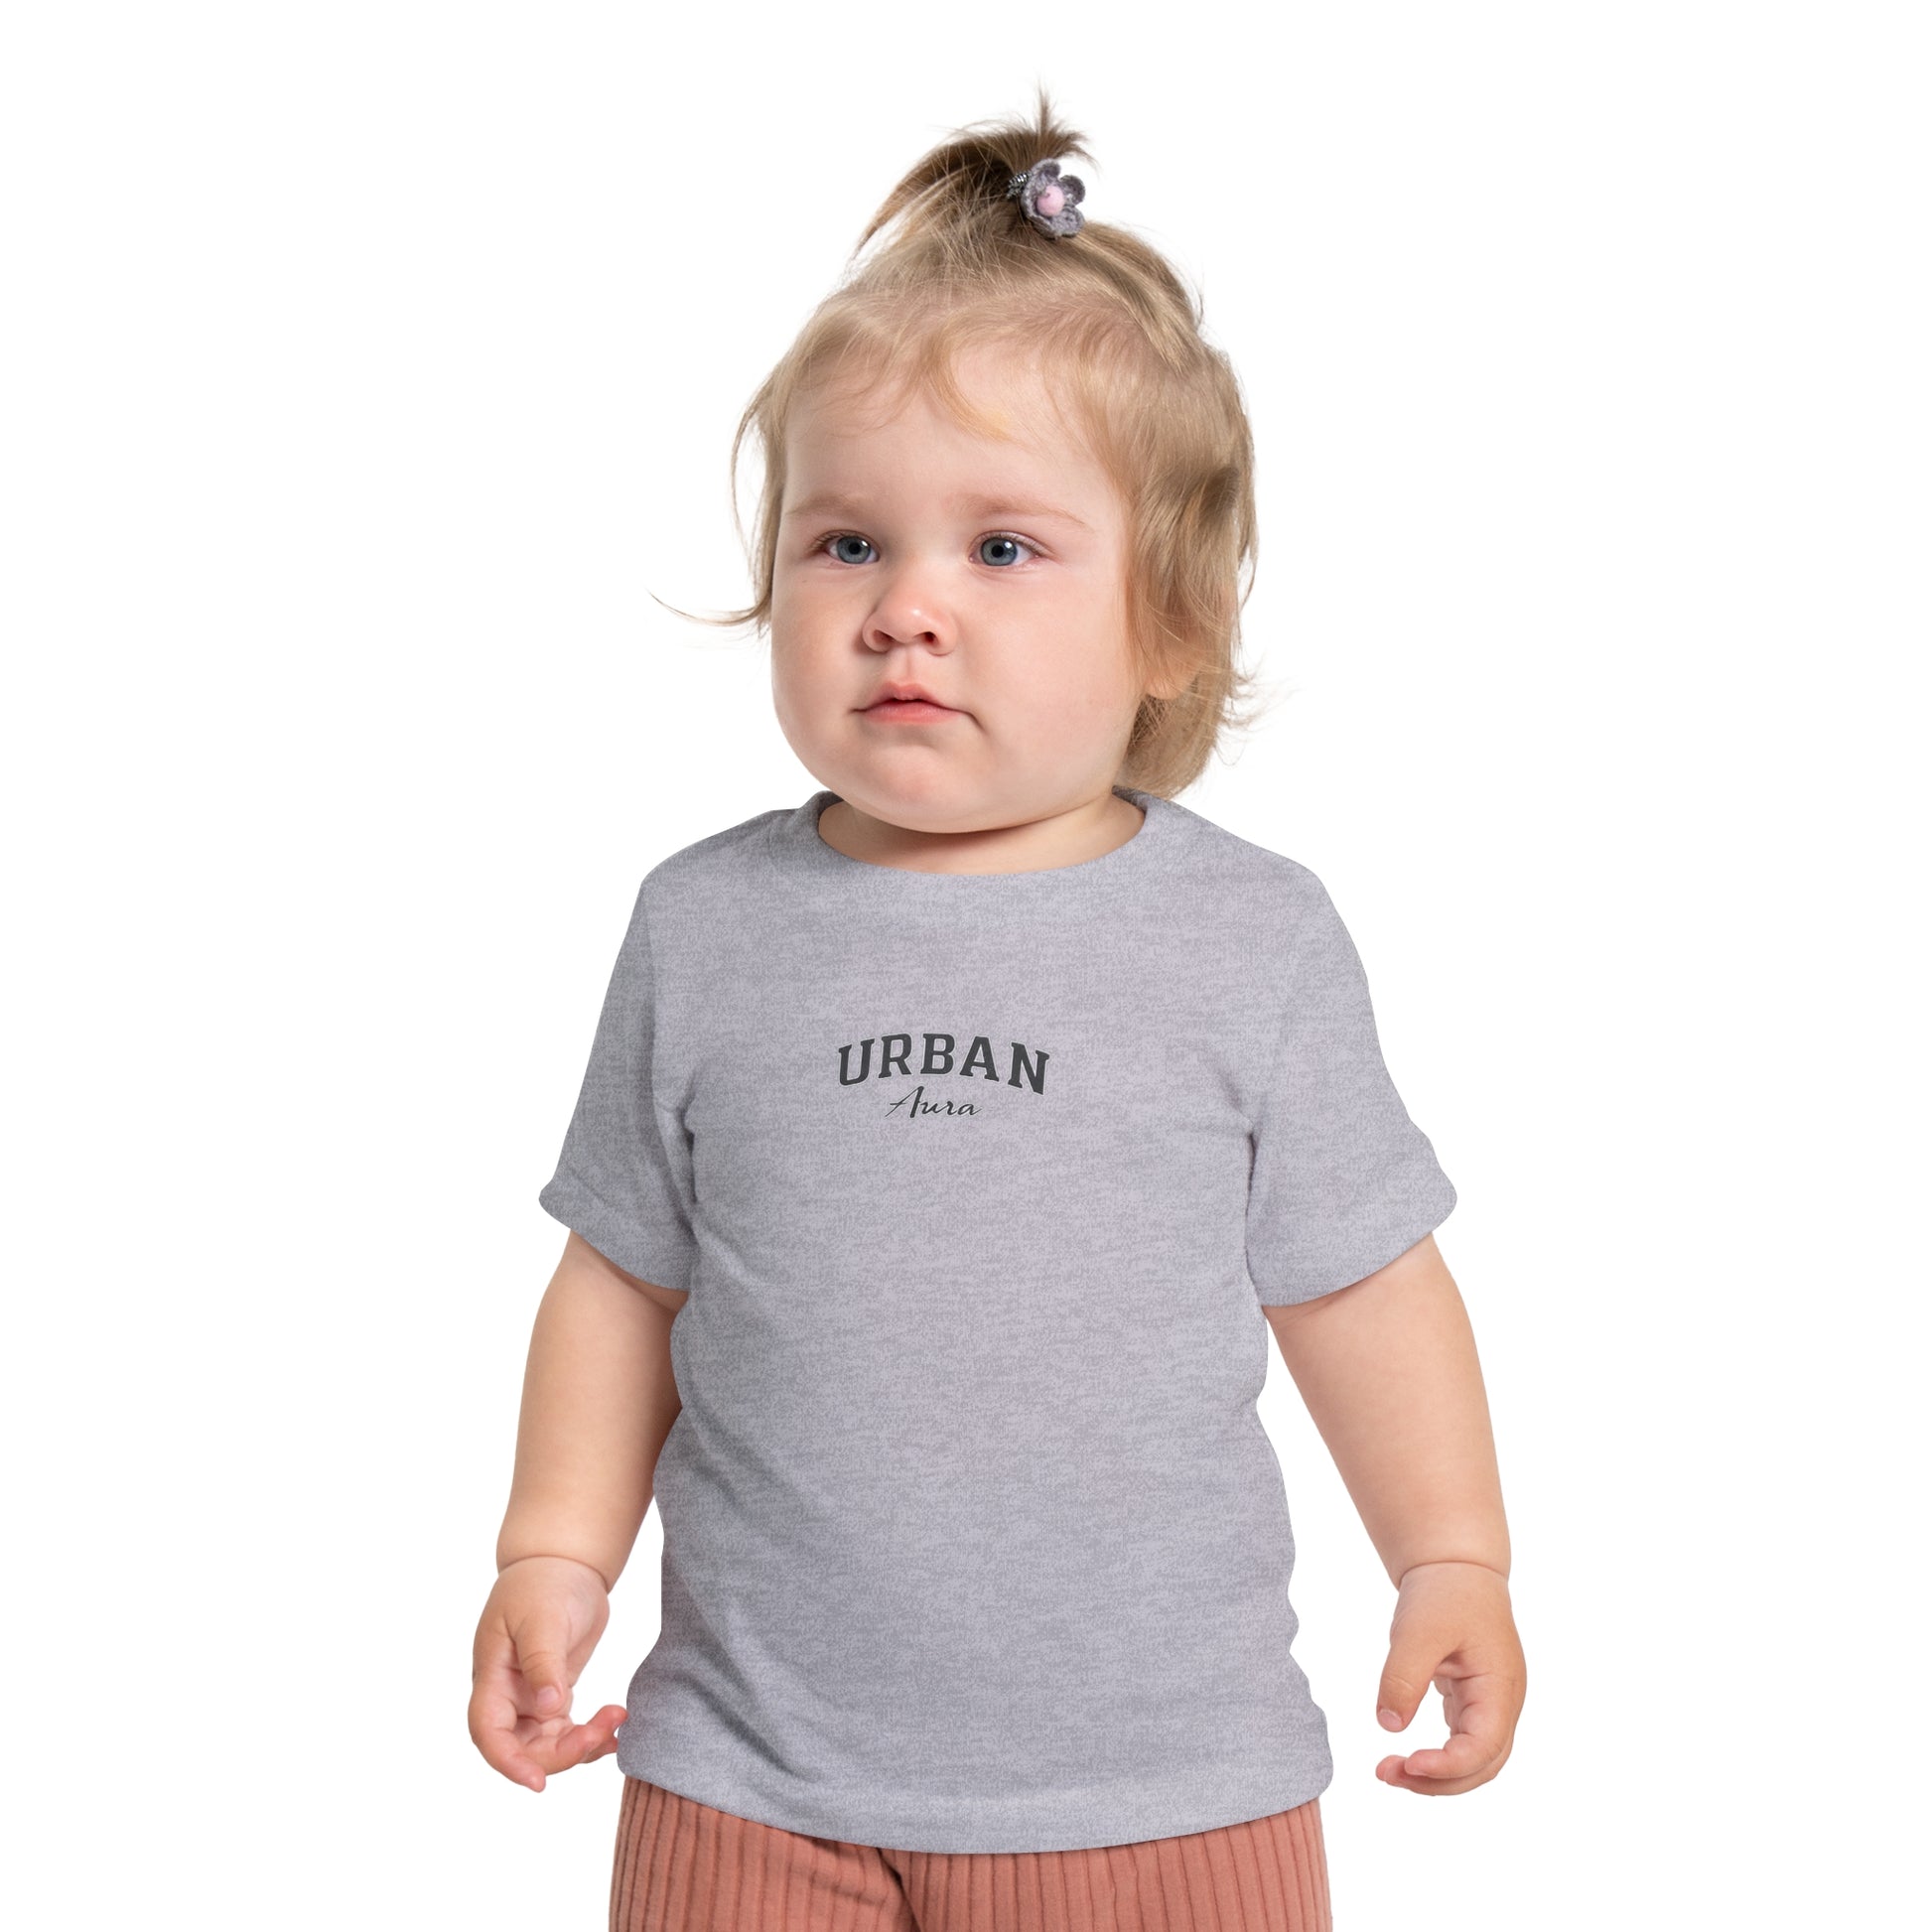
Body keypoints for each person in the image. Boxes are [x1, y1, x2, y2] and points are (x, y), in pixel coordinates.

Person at [469, 89, 1526, 1932]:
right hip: (746, 1779)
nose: (905, 609)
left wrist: (1451, 1553)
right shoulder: (704, 924)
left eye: (1003, 550)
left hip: (1160, 1795)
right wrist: (554, 1548)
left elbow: (1360, 1277)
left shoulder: (1247, 939)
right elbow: (626, 1275)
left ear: (1171, 621)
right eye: (845, 544)